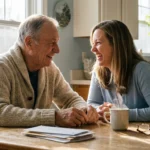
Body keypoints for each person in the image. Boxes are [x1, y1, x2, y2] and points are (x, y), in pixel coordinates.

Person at [0, 14, 99, 127]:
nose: (57, 50)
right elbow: (1, 112)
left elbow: (70, 99)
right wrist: (53, 117)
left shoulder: (50, 69)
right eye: (52, 43)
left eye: (57, 42)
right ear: (29, 43)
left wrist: (84, 110)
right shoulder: (2, 67)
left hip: (37, 143)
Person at [87, 20, 150, 122]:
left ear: (116, 45)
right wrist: (100, 110)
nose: (93, 49)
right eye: (92, 44)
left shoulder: (142, 70)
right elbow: (91, 104)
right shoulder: (98, 72)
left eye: (98, 43)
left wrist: (118, 113)